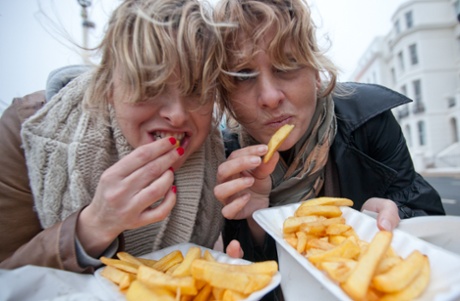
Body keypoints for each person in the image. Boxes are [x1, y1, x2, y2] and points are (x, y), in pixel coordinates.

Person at [213, 0, 445, 268]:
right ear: (226, 95)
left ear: (316, 72)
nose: (270, 97)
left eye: (286, 65)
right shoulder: (225, 160)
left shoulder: (369, 121)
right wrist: (256, 223)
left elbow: (431, 218)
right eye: (243, 75)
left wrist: (393, 220)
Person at [0, 0, 226, 272]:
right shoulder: (25, 133)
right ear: (108, 86)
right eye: (151, 85)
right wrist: (93, 227)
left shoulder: (222, 156)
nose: (177, 115)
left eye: (196, 89)